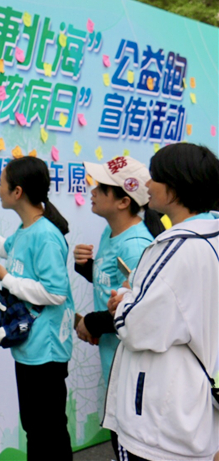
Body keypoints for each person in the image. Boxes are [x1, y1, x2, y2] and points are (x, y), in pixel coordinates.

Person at [105, 143, 219, 461]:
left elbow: (135, 327)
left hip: (160, 424)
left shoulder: (176, 248)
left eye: (155, 177)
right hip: (195, 413)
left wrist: (124, 300)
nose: (147, 184)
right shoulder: (210, 237)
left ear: (174, 189)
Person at [0, 156, 74, 461]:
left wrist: (6, 278)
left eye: (2, 183)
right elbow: (5, 246)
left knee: (47, 430)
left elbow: (55, 293)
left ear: (17, 192)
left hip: (46, 351)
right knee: (36, 428)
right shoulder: (28, 229)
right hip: (30, 348)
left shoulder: (46, 235)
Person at [73, 156, 164, 387]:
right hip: (113, 356)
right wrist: (86, 266)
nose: (93, 191)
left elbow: (140, 311)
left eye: (101, 187)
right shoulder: (110, 232)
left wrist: (92, 323)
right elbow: (112, 283)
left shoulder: (135, 247)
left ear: (123, 202)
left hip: (131, 366)